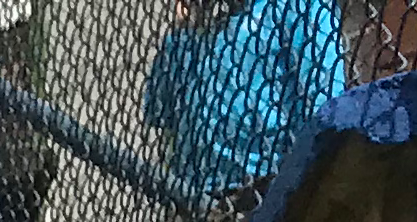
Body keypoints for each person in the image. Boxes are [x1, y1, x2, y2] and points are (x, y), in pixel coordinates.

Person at [143, 0, 344, 205]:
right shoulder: (199, 17)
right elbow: (162, 111)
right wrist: (186, 32)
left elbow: (326, 111)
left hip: (265, 187)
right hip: (194, 186)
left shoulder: (301, 9)